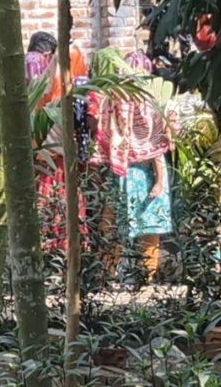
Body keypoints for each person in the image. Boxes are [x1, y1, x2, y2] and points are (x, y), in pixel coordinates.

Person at [90, 48, 172, 282]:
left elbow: (154, 143)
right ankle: (110, 274)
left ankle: (140, 275)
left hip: (138, 172)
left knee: (144, 226)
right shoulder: (121, 101)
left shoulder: (134, 102)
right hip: (126, 171)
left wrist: (159, 181)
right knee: (119, 225)